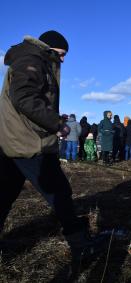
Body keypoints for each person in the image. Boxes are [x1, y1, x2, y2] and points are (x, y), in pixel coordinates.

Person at [0, 30, 105, 264]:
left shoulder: (31, 59)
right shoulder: (32, 60)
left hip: (15, 140)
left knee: (4, 195)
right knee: (60, 194)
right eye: (61, 54)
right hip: (30, 143)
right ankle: (81, 245)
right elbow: (24, 98)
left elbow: (29, 99)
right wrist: (56, 123)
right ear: (48, 49)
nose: (63, 60)